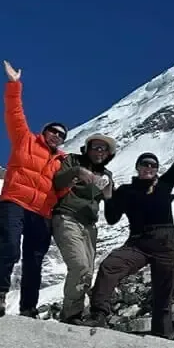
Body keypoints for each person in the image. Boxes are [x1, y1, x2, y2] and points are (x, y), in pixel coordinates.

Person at [87, 113, 174, 338]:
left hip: (166, 243)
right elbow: (112, 218)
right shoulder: (125, 191)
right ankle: (98, 315)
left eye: (153, 165)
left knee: (163, 295)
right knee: (109, 266)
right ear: (138, 167)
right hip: (138, 243)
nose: (149, 167)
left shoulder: (164, 184)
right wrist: (107, 195)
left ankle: (161, 339)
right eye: (145, 164)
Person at [0, 60, 70, 317]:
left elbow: (64, 190)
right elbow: (14, 113)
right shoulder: (25, 140)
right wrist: (14, 84)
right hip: (15, 202)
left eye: (61, 134)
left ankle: (28, 308)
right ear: (44, 131)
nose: (56, 135)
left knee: (34, 261)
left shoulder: (63, 161)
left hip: (42, 213)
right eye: (53, 131)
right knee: (9, 247)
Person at [50, 133, 118, 323]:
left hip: (89, 225)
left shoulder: (106, 175)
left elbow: (111, 205)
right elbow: (56, 181)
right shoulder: (72, 160)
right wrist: (77, 172)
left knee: (87, 271)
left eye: (103, 149)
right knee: (79, 265)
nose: (98, 151)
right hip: (66, 216)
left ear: (108, 154)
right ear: (87, 149)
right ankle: (71, 314)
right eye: (95, 147)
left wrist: (109, 194)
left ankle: (74, 314)